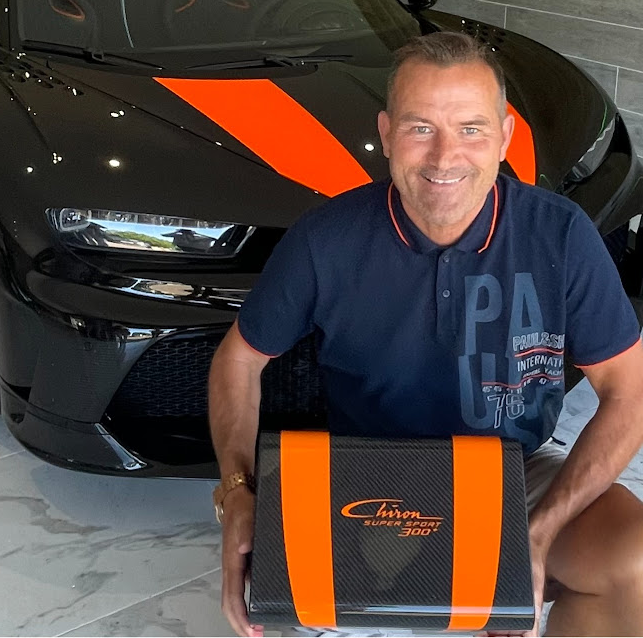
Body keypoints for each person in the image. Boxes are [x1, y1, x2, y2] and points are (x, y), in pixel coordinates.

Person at [208, 31, 643, 638]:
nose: (445, 158)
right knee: (298, 600)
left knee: (632, 561)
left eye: (470, 129)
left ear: (504, 138)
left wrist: (535, 539)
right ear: (386, 134)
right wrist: (237, 490)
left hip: (509, 474)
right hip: (364, 477)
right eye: (421, 128)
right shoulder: (325, 239)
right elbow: (238, 361)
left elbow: (628, 392)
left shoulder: (560, 234)